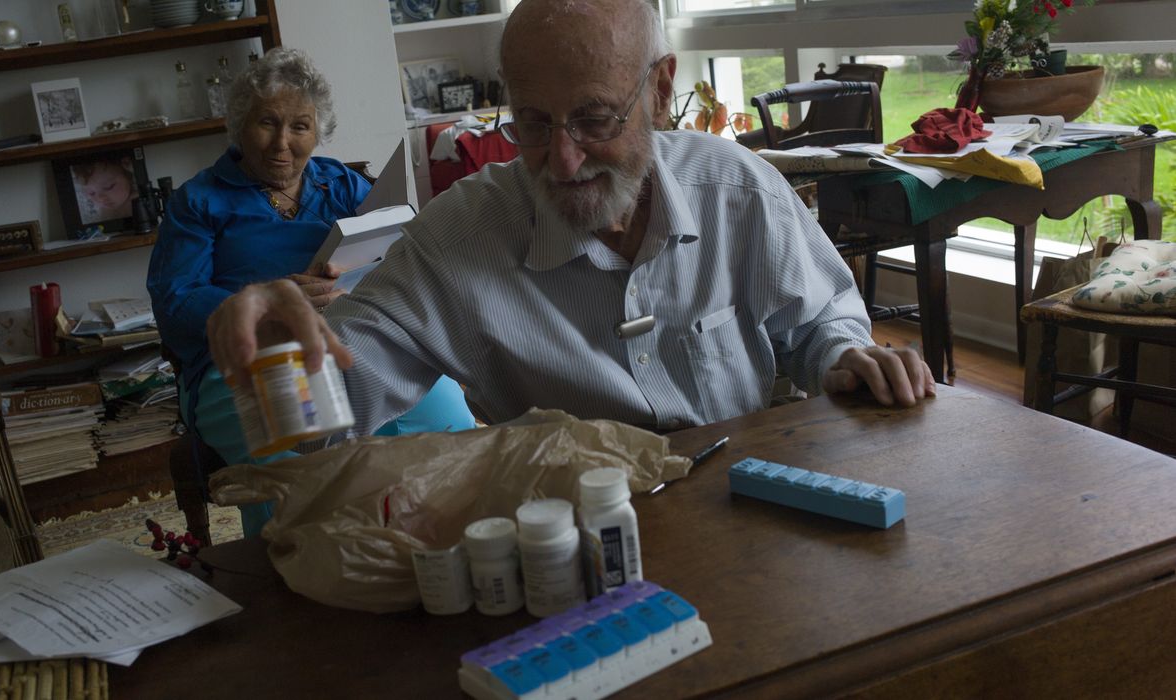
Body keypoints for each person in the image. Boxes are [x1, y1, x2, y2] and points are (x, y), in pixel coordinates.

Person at [206, 0, 934, 441]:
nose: (561, 160)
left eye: (592, 119)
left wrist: (844, 356)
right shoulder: (457, 240)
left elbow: (816, 324)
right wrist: (274, 361)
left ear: (658, 89)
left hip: (754, 511)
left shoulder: (734, 187)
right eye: (531, 122)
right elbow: (314, 422)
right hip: (577, 546)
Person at [147, 48, 476, 536]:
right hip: (250, 357)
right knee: (301, 464)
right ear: (240, 124)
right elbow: (175, 303)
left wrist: (362, 287)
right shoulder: (199, 201)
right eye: (267, 123)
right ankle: (290, 572)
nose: (282, 143)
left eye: (300, 126)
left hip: (354, 339)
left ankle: (435, 540)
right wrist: (270, 302)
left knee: (447, 419)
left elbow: (396, 257)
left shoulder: (340, 183)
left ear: (317, 132)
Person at [73, 159, 138, 223]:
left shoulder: (136, 198)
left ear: (128, 176)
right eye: (91, 193)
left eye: (108, 187)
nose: (100, 199)